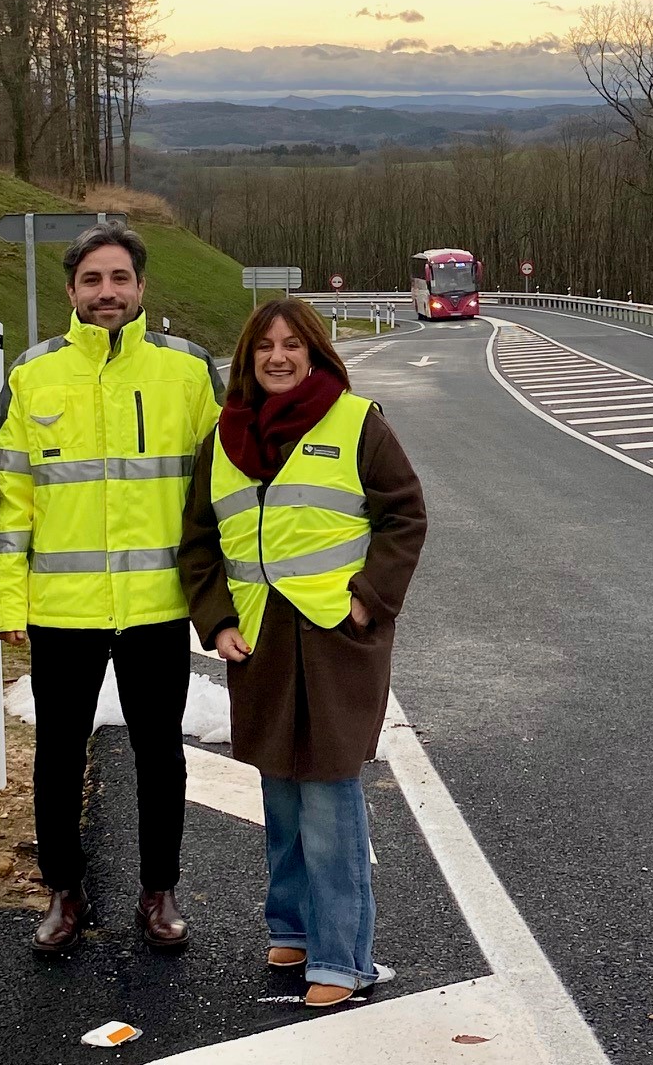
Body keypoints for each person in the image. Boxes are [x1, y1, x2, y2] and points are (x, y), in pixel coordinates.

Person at [0, 223, 224, 955]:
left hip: (157, 605)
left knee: (161, 756)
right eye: (92, 280)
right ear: (71, 291)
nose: (106, 292)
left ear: (142, 286)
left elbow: (221, 488)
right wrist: (5, 600)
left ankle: (159, 892)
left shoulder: (187, 371)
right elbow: (9, 500)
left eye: (119, 278)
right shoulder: (33, 374)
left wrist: (222, 597)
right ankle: (64, 892)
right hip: (63, 609)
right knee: (58, 756)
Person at [178, 297, 426, 1008]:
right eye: (265, 346)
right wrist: (215, 622)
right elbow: (198, 543)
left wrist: (367, 600)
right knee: (279, 787)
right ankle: (290, 927)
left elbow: (404, 515)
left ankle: (342, 958)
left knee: (326, 791)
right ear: (248, 358)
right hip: (257, 639)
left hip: (335, 638)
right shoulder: (223, 440)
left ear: (315, 353)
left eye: (293, 344)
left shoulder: (356, 421)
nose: (278, 357)